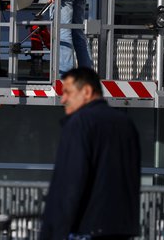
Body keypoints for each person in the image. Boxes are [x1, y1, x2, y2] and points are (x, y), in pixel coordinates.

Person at [40, 67, 141, 240]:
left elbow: (70, 183)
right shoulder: (126, 124)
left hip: (85, 228)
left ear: (86, 91)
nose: (63, 99)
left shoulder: (79, 124)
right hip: (121, 229)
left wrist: (54, 232)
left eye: (67, 92)